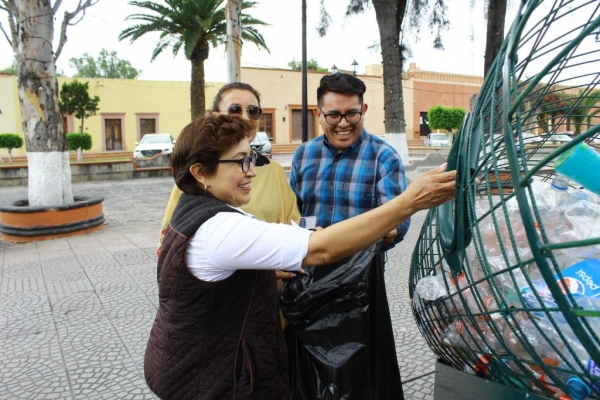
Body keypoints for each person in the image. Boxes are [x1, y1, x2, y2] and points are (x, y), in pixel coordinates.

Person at [144, 113, 456, 399]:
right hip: (213, 380)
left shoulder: (194, 210)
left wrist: (261, 273)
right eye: (240, 162)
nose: (251, 171)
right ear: (201, 173)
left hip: (186, 365)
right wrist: (411, 201)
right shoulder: (220, 228)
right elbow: (322, 250)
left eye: (251, 158)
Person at [286, 72, 411, 399]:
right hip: (308, 282)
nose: (344, 123)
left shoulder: (383, 157)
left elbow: (400, 219)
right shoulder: (304, 156)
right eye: (334, 115)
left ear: (363, 109)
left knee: (359, 374)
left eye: (352, 114)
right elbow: (292, 213)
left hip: (360, 289)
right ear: (318, 114)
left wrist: (386, 230)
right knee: (308, 371)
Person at [158, 82, 301, 263]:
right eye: (235, 109)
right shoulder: (198, 170)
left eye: (253, 111)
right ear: (216, 115)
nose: (245, 117)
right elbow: (172, 243)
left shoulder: (273, 171)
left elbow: (292, 226)